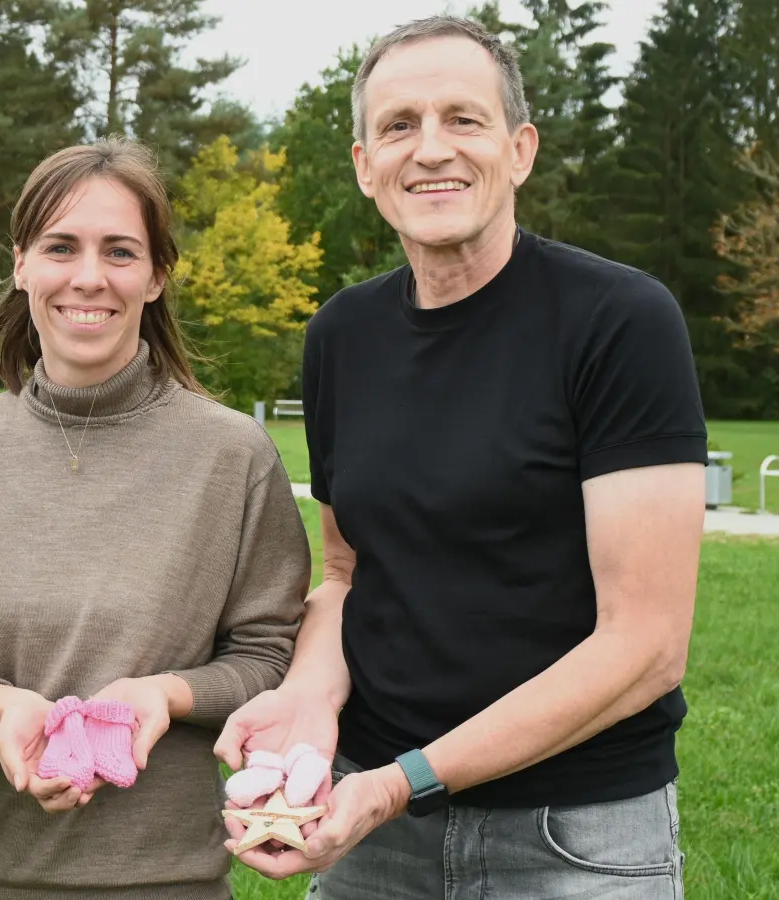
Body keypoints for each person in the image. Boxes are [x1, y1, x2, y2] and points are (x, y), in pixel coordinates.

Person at [215, 15, 706, 899]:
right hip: (372, 831)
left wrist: (404, 782)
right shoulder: (342, 335)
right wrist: (308, 698)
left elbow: (646, 645)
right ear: (366, 165)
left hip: (573, 836)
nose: (431, 148)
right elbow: (347, 572)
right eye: (400, 125)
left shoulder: (619, 321)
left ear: (519, 150)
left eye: (463, 119)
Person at [0, 137, 312, 900]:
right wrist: (3, 707)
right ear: (21, 265)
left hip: (168, 881)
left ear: (156, 276)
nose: (89, 276)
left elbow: (268, 655)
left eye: (120, 251)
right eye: (61, 247)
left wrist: (167, 695)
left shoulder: (233, 456)